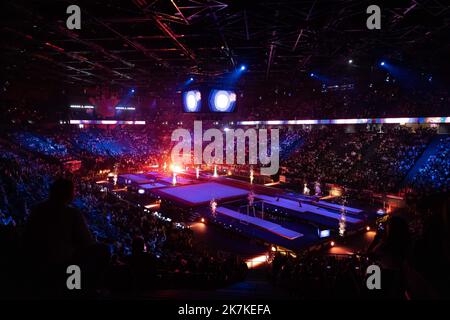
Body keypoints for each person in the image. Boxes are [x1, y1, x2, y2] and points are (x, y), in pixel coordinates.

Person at [23, 178, 94, 296]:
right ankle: (74, 290)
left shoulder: (37, 209)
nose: (75, 193)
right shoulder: (72, 214)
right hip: (63, 263)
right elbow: (88, 242)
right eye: (73, 190)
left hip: (37, 261)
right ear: (68, 194)